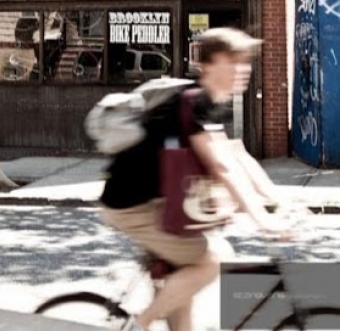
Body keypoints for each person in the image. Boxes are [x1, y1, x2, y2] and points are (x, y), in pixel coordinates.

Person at [99, 27, 292, 331]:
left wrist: (280, 200)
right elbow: (222, 168)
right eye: (234, 61)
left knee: (183, 300)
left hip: (161, 205)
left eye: (245, 62)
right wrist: (263, 220)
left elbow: (238, 158)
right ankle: (138, 325)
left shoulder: (213, 102)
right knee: (213, 258)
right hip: (133, 206)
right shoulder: (193, 101)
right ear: (209, 65)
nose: (243, 69)